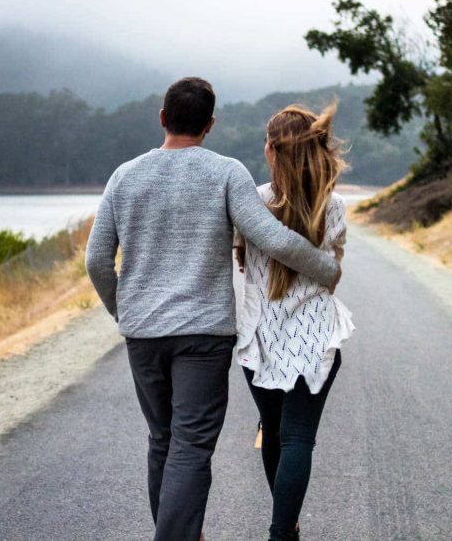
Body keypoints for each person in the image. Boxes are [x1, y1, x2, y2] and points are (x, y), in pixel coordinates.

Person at [84, 77, 341, 541]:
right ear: (210, 125)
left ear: (162, 118)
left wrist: (123, 311)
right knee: (190, 446)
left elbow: (96, 260)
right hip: (203, 336)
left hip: (143, 335)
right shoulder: (225, 172)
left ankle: (182, 532)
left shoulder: (124, 176)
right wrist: (326, 268)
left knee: (161, 440)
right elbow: (273, 238)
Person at [234, 102, 354, 541]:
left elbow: (242, 260)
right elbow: (333, 269)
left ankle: (287, 527)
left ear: (271, 151)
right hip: (315, 338)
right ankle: (282, 531)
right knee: (299, 436)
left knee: (274, 432)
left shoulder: (252, 204)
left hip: (260, 341)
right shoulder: (334, 204)